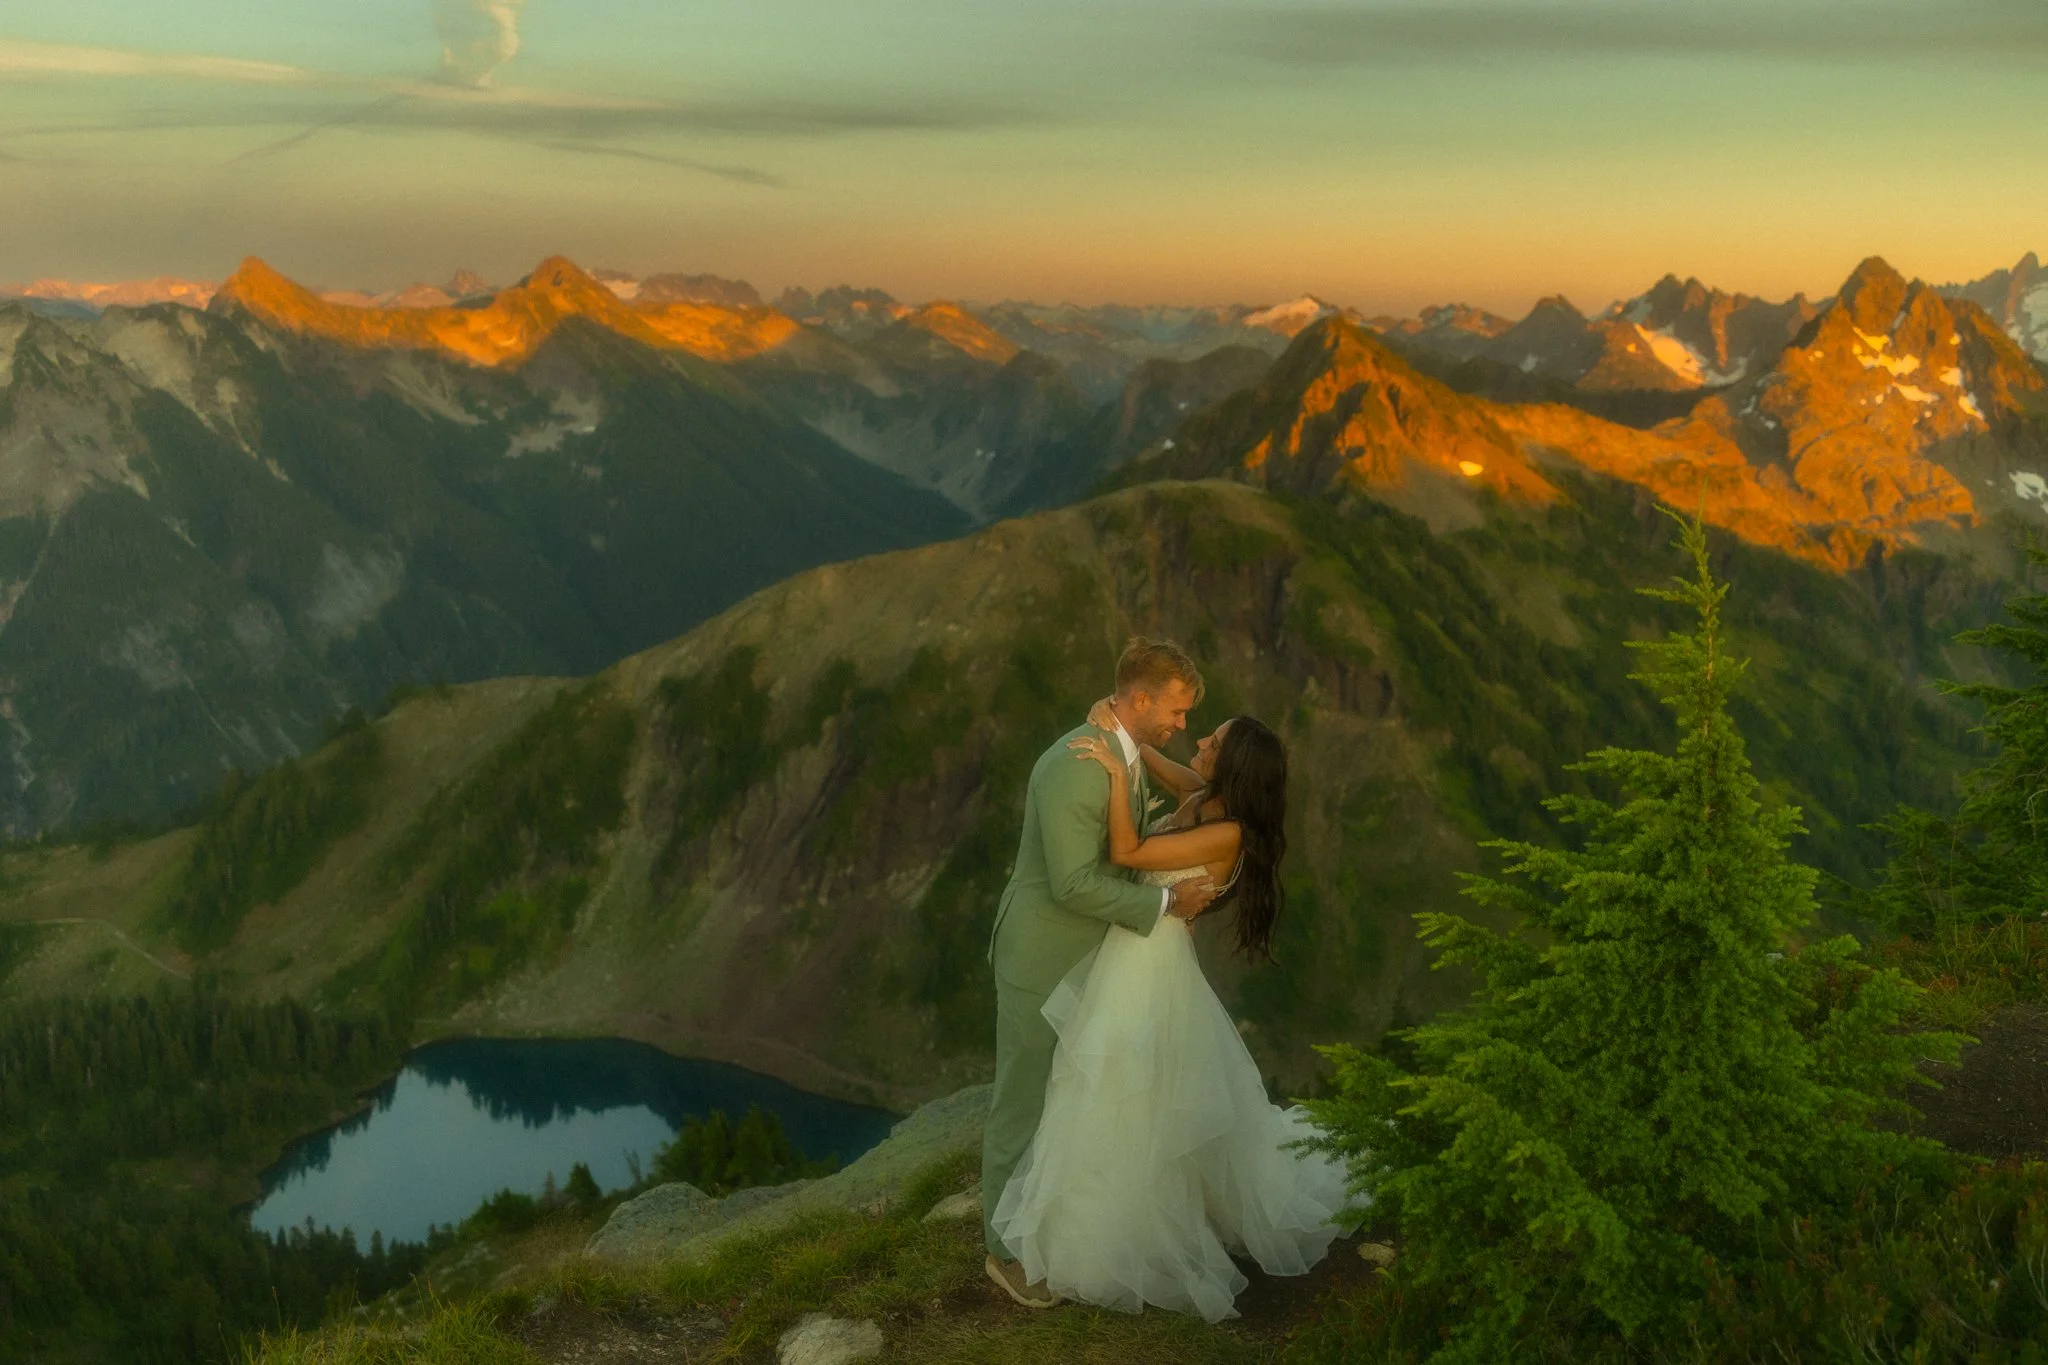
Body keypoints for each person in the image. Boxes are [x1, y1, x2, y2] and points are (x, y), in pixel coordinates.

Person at [988, 699, 1352, 1322]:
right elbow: (1154, 759)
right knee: (1125, 1079)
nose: (1201, 740)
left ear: (1234, 768)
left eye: (1215, 742)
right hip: (1135, 945)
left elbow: (1128, 852)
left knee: (1121, 1083)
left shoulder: (1227, 831)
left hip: (1147, 960)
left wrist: (1111, 774)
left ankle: (1115, 1219)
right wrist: (1119, 726)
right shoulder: (1202, 795)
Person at [981, 638, 1221, 1309]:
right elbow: (1072, 883)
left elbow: (1131, 841)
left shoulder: (1122, 751)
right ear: (1139, 698)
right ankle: (1004, 1253)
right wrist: (1168, 904)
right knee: (1022, 1102)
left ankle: (1045, 1223)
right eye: (1175, 711)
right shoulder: (1075, 765)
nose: (1183, 725)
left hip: (1091, 959)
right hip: (1041, 958)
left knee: (1066, 1095)